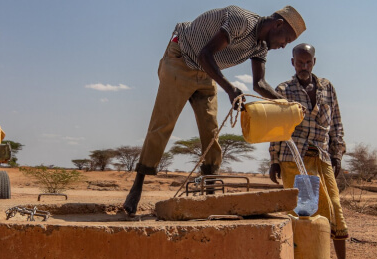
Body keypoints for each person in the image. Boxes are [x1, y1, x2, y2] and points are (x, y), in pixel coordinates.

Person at [123, 5, 307, 216]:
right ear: (278, 24)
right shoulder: (242, 21)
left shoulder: (260, 47)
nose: (284, 46)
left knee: (211, 131)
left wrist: (286, 104)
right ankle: (137, 186)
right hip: (181, 60)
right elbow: (205, 54)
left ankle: (210, 194)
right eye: (287, 40)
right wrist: (229, 88)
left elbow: (260, 84)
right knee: (163, 124)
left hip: (206, 71)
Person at [268, 43, 353, 259]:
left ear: (314, 62)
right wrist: (274, 159)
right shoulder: (283, 90)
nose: (303, 66)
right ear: (292, 62)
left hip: (322, 156)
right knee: (304, 212)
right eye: (299, 62)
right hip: (293, 158)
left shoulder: (327, 88)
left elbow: (336, 123)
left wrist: (337, 154)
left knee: (334, 207)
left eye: (307, 62)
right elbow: (278, 128)